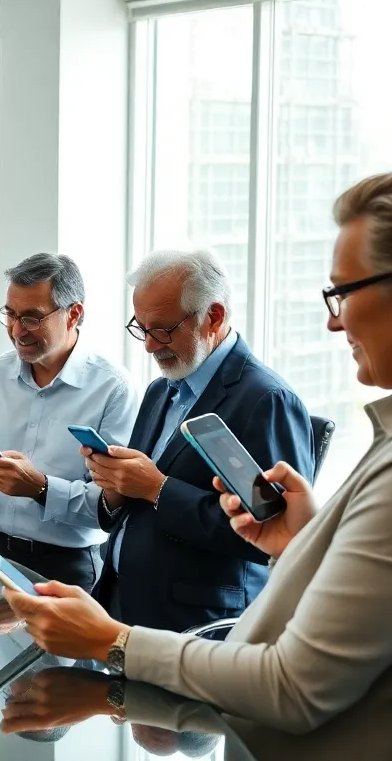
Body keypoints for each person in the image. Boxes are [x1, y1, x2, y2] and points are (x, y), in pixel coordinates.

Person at [1, 169, 392, 761]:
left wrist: (112, 641)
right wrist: (299, 542)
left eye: (342, 292)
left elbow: (294, 687)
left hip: (208, 655)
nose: (333, 320)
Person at [89, 249, 314, 632]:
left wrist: (157, 489)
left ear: (214, 316)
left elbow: (270, 531)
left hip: (198, 624)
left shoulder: (266, 400)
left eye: (161, 329)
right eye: (141, 328)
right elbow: (133, 504)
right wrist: (114, 488)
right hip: (121, 603)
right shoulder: (162, 390)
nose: (148, 345)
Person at [0, 254, 137, 590]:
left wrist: (41, 488)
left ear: (74, 314)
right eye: (10, 315)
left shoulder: (114, 389)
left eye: (31, 318)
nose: (17, 331)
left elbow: (110, 506)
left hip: (64, 568)